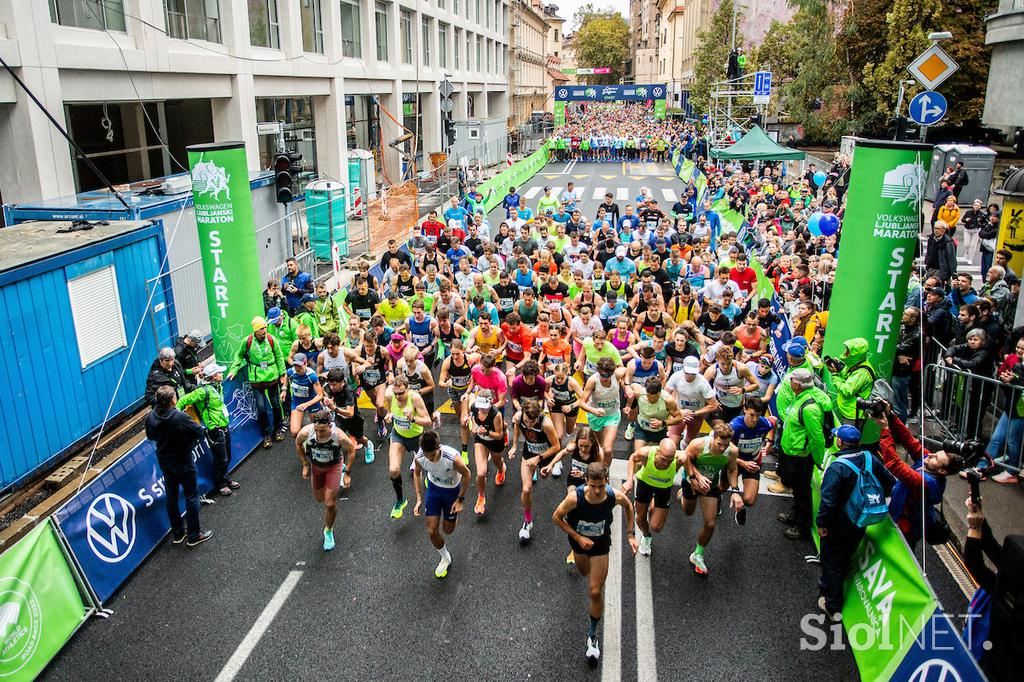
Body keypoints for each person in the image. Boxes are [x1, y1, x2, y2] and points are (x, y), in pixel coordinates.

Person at [551, 461, 638, 663]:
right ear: (586, 482)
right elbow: (556, 517)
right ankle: (579, 554)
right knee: (583, 572)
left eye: (601, 485)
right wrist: (578, 538)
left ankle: (592, 636)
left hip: (600, 544)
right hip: (579, 542)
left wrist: (630, 534)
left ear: (606, 481)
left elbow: (628, 505)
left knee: (595, 590)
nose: (598, 490)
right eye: (593, 485)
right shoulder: (574, 499)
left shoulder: (613, 495)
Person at [816, 425, 895, 620]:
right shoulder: (870, 458)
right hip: (861, 519)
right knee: (845, 555)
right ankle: (832, 586)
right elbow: (890, 483)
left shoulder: (837, 467)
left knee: (831, 560)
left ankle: (832, 604)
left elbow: (828, 501)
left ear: (840, 442)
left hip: (839, 522)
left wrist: (822, 523)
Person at [875, 403, 964, 546]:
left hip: (904, 529)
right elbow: (909, 440)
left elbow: (894, 464)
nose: (931, 455)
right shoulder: (929, 461)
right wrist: (891, 416)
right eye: (936, 453)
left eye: (936, 458)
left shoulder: (923, 483)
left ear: (942, 471)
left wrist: (885, 430)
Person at [144, 385, 212, 546]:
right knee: (191, 496)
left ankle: (178, 533)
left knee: (171, 497)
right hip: (183, 460)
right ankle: (194, 535)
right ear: (172, 399)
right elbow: (198, 431)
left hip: (165, 461)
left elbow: (150, 435)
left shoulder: (151, 416)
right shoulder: (179, 417)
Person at [678, 423, 742, 575]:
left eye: (725, 445)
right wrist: (696, 477)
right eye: (719, 444)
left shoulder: (732, 451)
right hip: (691, 481)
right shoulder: (698, 445)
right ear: (712, 438)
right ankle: (682, 494)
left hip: (710, 486)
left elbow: (732, 469)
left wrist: (735, 491)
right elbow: (685, 459)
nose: (722, 449)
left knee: (710, 523)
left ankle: (698, 554)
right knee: (688, 511)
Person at [778, 368, 832, 541]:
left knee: (802, 493)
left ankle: (802, 526)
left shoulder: (809, 408)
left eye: (792, 380)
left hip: (801, 456)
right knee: (797, 490)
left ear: (798, 385)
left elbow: (817, 438)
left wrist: (817, 459)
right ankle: (794, 514)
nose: (790, 382)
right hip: (792, 451)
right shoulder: (801, 396)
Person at [413, 430, 472, 579]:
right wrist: (419, 497)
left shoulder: (452, 458)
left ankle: (452, 516)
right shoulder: (420, 456)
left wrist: (460, 500)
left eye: (432, 455)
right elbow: (417, 472)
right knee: (432, 531)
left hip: (452, 492)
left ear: (439, 447)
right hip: (433, 489)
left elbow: (467, 474)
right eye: (427, 455)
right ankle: (445, 557)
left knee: (448, 530)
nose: (430, 459)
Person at [176, 363, 240, 497]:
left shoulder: (218, 386)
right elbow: (183, 400)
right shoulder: (202, 391)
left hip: (224, 425)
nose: (222, 374)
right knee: (220, 458)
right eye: (219, 372)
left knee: (227, 455)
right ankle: (220, 484)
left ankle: (225, 478)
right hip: (214, 430)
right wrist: (175, 415)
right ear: (213, 376)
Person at [296, 410, 355, 551]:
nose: (319, 434)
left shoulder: (338, 436)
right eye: (316, 430)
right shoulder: (306, 433)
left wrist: (347, 473)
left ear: (330, 426)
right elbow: (298, 444)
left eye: (322, 430)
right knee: (319, 498)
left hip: (333, 467)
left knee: (329, 503)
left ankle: (328, 530)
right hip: (316, 467)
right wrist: (304, 464)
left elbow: (351, 450)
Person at [227, 317, 286, 449]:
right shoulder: (247, 342)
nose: (264, 331)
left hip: (272, 377)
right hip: (256, 380)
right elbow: (239, 355)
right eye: (261, 329)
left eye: (265, 328)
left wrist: (282, 374)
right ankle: (267, 434)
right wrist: (234, 369)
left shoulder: (271, 340)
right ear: (255, 330)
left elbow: (279, 357)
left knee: (276, 404)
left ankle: (278, 429)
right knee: (261, 408)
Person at [622, 438, 687, 556]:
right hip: (645, 484)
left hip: (663, 489)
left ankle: (653, 502)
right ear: (657, 451)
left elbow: (690, 461)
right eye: (663, 459)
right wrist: (629, 480)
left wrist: (693, 478)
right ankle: (646, 536)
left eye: (669, 460)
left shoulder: (680, 458)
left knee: (656, 526)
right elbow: (633, 458)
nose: (666, 463)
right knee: (640, 518)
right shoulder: (646, 453)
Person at [509, 397, 560, 544]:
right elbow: (517, 429)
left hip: (546, 454)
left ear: (538, 416)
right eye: (526, 421)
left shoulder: (546, 424)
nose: (529, 424)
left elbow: (556, 447)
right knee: (526, 489)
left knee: (546, 476)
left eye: (532, 422)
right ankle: (527, 521)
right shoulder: (519, 418)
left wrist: (539, 459)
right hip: (529, 453)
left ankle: (558, 463)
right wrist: (514, 446)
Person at [383, 376, 433, 519]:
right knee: (393, 470)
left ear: (408, 389)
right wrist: (389, 414)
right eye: (396, 393)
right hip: (399, 436)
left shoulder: (415, 398)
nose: (398, 396)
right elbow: (389, 409)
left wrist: (412, 418)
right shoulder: (390, 395)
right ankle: (400, 501)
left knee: (427, 469)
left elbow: (428, 421)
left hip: (417, 438)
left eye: (401, 393)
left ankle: (429, 487)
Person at [727, 397, 775, 524]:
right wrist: (743, 463)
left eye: (758, 415)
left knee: (749, 500)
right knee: (721, 487)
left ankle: (740, 508)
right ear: (744, 410)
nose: (754, 419)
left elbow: (773, 422)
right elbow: (725, 452)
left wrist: (770, 442)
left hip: (753, 462)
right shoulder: (734, 427)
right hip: (735, 461)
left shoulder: (764, 423)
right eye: (751, 415)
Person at [323, 368, 371, 478]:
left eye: (334, 385)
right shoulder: (331, 388)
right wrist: (327, 401)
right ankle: (339, 464)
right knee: (335, 439)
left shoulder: (348, 391)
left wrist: (334, 408)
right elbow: (328, 398)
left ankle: (368, 445)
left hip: (354, 420)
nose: (332, 387)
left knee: (359, 438)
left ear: (342, 382)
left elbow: (350, 413)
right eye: (330, 384)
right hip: (340, 419)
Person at [466, 391, 507, 516]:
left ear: (490, 404)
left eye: (484, 408)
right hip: (481, 441)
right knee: (480, 473)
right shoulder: (474, 407)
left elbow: (499, 435)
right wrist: (473, 427)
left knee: (497, 461)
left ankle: (501, 469)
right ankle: (481, 497)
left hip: (495, 441)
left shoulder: (496, 415)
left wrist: (487, 432)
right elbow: (473, 418)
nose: (481, 410)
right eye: (480, 407)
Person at [284, 353, 324, 437]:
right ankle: (303, 447)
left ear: (305, 364)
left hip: (312, 402)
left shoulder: (312, 376)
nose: (297, 369)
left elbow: (320, 395)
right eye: (295, 366)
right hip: (298, 401)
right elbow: (286, 376)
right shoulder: (291, 372)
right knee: (294, 432)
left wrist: (306, 404)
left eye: (300, 366)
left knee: (319, 430)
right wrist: (284, 389)